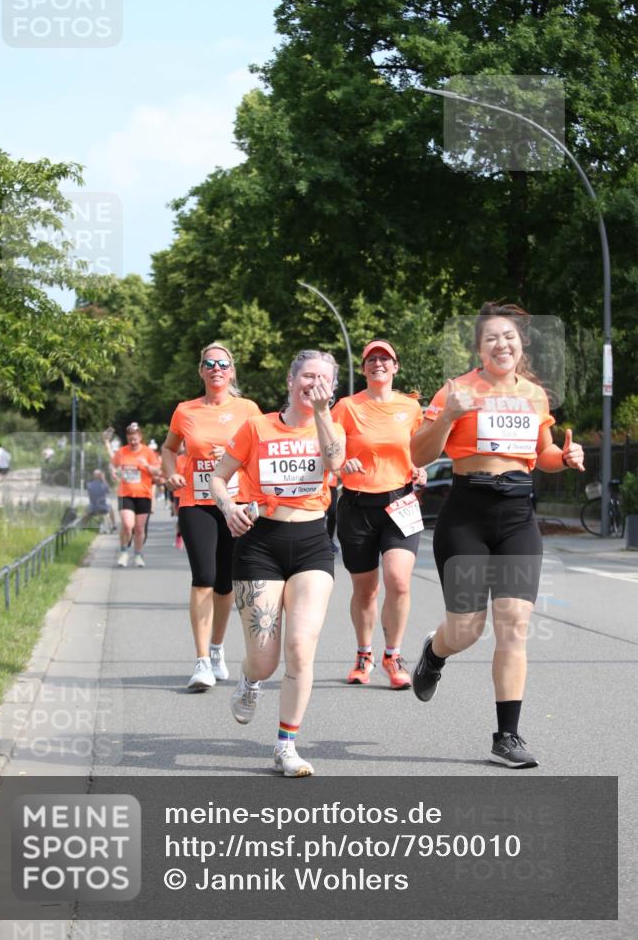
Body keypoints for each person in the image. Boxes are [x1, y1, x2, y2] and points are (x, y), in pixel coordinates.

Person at [410, 302, 585, 769]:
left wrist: (563, 459)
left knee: (513, 626)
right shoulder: (457, 390)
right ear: (479, 348)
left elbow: (541, 453)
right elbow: (419, 453)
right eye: (491, 338)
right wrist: (447, 415)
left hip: (517, 516)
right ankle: (434, 651)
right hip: (467, 514)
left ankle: (506, 737)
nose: (501, 344)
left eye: (509, 336)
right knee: (467, 629)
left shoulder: (534, 395)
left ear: (521, 343)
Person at [210, 349, 345, 777]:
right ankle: (250, 682)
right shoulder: (256, 426)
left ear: (333, 389)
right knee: (265, 661)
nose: (314, 384)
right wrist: (229, 506)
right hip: (259, 543)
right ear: (290, 381)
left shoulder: (331, 426)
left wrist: (323, 414)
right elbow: (217, 477)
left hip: (311, 543)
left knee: (301, 649)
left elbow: (336, 462)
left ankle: (286, 745)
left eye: (324, 378)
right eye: (307, 376)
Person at [162, 343, 260, 691]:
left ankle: (217, 650)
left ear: (231, 371)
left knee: (225, 582)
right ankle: (202, 660)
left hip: (235, 503)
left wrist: (233, 457)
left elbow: (260, 452)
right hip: (197, 502)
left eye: (223, 363)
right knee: (203, 576)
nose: (216, 368)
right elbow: (169, 448)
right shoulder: (185, 411)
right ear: (201, 371)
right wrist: (172, 472)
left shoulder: (248, 409)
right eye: (209, 363)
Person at [332, 340, 427, 689]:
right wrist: (342, 462)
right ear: (363, 369)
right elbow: (328, 447)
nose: (378, 364)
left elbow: (420, 449)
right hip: (357, 506)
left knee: (399, 581)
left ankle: (393, 654)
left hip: (400, 502)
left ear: (396, 367)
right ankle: (363, 653)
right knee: (366, 589)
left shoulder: (411, 408)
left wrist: (420, 469)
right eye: (371, 359)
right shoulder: (346, 407)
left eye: (384, 359)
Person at [107, 423, 160, 568]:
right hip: (125, 494)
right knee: (127, 524)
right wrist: (112, 470)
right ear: (127, 438)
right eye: (130, 439)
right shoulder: (122, 452)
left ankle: (138, 554)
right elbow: (112, 464)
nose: (133, 442)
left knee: (139, 528)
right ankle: (124, 551)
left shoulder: (148, 452)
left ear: (140, 437)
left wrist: (146, 466)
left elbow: (158, 472)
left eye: (135, 439)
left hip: (144, 495)